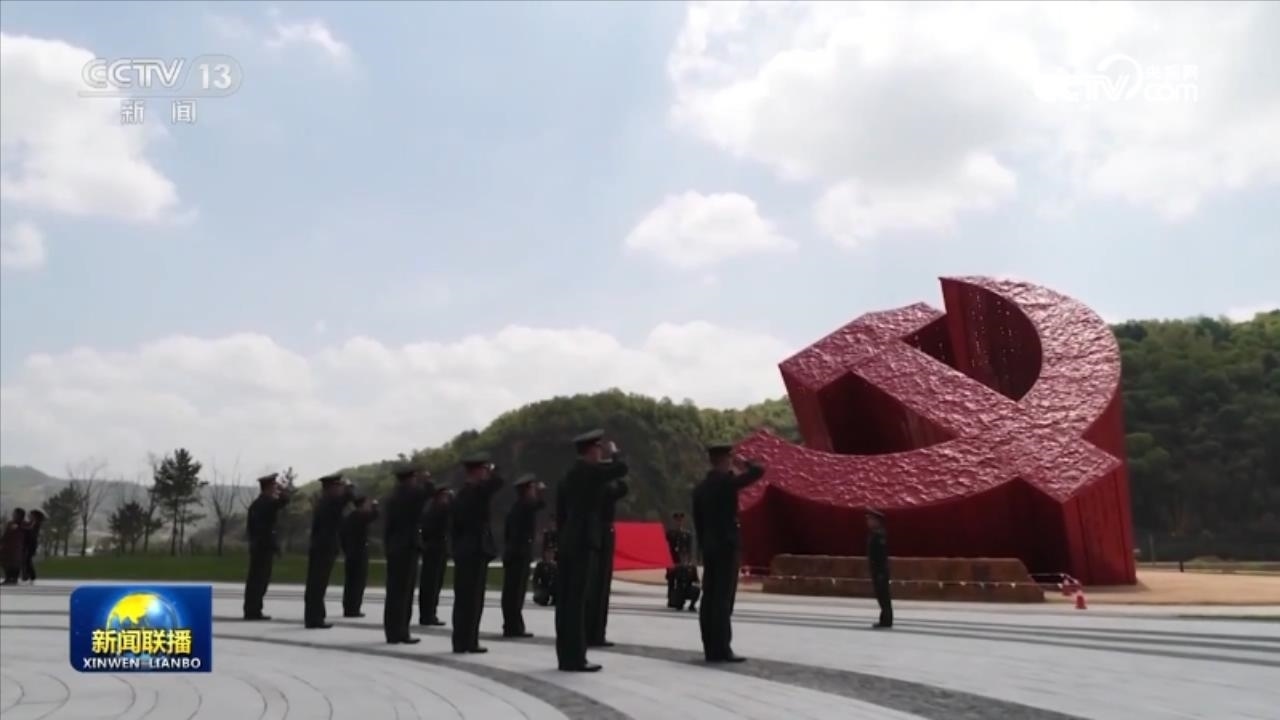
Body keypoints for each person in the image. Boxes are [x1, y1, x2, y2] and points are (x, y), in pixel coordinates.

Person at [554, 429, 628, 673]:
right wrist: (615, 454)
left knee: (567, 601)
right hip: (583, 541)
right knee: (577, 601)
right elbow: (621, 469)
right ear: (591, 450)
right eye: (598, 448)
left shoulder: (568, 476)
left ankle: (566, 655)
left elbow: (561, 513)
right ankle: (576, 657)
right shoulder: (588, 472)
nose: (601, 452)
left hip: (569, 540)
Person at [692, 443, 765, 663]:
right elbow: (758, 472)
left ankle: (709, 646)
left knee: (709, 596)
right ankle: (722, 647)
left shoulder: (700, 489)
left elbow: (698, 523)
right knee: (723, 598)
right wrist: (744, 464)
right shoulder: (725, 483)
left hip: (709, 547)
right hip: (726, 546)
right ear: (725, 460)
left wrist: (703, 546)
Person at [450, 453, 504, 654]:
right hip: (474, 550)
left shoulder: (462, 494)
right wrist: (494, 470)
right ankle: (468, 640)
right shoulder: (476, 491)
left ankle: (462, 640)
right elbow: (498, 482)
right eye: (484, 469)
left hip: (465, 550)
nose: (487, 473)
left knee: (465, 599)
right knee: (472, 599)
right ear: (477, 471)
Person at [383, 465, 432, 644]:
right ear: (410, 479)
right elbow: (428, 492)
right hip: (407, 546)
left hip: (395, 547)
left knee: (395, 592)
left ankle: (393, 631)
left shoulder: (393, 496)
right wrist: (426, 481)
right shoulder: (410, 494)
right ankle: (401, 631)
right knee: (404, 593)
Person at [303, 474, 355, 629]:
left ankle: (316, 615)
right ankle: (314, 618)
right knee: (318, 583)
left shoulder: (325, 501)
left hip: (321, 546)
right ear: (331, 488)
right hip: (324, 547)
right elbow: (349, 497)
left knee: (317, 583)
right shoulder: (330, 501)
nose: (340, 490)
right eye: (338, 486)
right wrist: (349, 487)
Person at [586, 470, 628, 647]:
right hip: (603, 534)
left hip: (592, 533)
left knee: (591, 587)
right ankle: (596, 633)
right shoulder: (604, 488)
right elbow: (623, 488)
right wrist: (614, 468)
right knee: (601, 586)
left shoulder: (587, 484)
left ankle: (589, 631)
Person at [501, 474, 545, 638]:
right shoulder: (524, 507)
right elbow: (539, 504)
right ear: (526, 491)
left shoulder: (517, 507)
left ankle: (512, 625)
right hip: (519, 554)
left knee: (513, 592)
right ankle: (513, 627)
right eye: (532, 489)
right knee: (515, 593)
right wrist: (541, 492)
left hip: (515, 553)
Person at [243, 474, 291, 620]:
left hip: (258, 545)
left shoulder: (257, 504)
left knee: (256, 579)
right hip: (263, 546)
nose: (276, 490)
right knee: (259, 580)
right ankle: (253, 610)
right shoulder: (266, 503)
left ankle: (252, 609)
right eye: (274, 487)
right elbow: (284, 501)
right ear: (269, 488)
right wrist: (283, 489)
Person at [418, 486, 453, 627]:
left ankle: (430, 613)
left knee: (435, 584)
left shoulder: (436, 509)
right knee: (431, 584)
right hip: (434, 550)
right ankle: (427, 615)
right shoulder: (436, 510)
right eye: (445, 496)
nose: (447, 499)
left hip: (438, 549)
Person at [340, 495, 379, 618]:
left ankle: (349, 607)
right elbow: (374, 515)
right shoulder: (359, 515)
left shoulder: (350, 517)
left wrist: (346, 549)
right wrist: (375, 506)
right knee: (358, 582)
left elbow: (342, 536)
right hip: (359, 552)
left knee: (351, 582)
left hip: (351, 552)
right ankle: (353, 608)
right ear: (362, 505)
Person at [666, 512, 699, 611]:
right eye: (677, 520)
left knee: (683, 580)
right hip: (672, 559)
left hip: (683, 559)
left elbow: (688, 549)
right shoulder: (670, 534)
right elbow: (666, 547)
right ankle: (671, 599)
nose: (679, 522)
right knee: (671, 579)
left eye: (680, 520)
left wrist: (689, 560)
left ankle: (681, 599)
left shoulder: (687, 534)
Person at [866, 508, 893, 629]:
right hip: (877, 570)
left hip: (880, 570)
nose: (868, 522)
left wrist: (881, 572)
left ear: (877, 521)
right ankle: (885, 619)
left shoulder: (879, 534)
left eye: (871, 519)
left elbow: (881, 555)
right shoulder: (875, 533)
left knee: (883, 596)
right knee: (881, 595)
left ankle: (886, 620)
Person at [1, 508, 26, 585]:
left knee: (15, 562)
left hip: (17, 547)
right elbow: (6, 534)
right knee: (6, 562)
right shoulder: (10, 523)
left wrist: (18, 526)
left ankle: (14, 578)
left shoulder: (23, 524)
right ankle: (8, 578)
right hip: (7, 547)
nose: (13, 515)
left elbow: (27, 531)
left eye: (15, 514)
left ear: (20, 515)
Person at [21, 510, 45, 584]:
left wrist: (21, 528)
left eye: (31, 515)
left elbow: (30, 529)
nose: (29, 516)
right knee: (26, 560)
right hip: (28, 543)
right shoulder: (32, 523)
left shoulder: (35, 523)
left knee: (27, 560)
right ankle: (26, 576)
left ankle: (31, 576)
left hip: (31, 544)